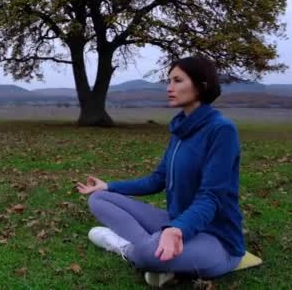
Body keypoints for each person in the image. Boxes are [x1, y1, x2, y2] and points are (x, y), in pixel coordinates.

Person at [76, 56, 245, 287]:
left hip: (217, 239)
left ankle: (127, 247)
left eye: (177, 80)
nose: (169, 87)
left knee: (147, 254)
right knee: (99, 199)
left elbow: (212, 196)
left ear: (201, 86)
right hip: (175, 222)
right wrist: (109, 186)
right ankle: (157, 251)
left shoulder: (221, 130)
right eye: (169, 81)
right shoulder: (180, 130)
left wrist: (177, 230)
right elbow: (157, 180)